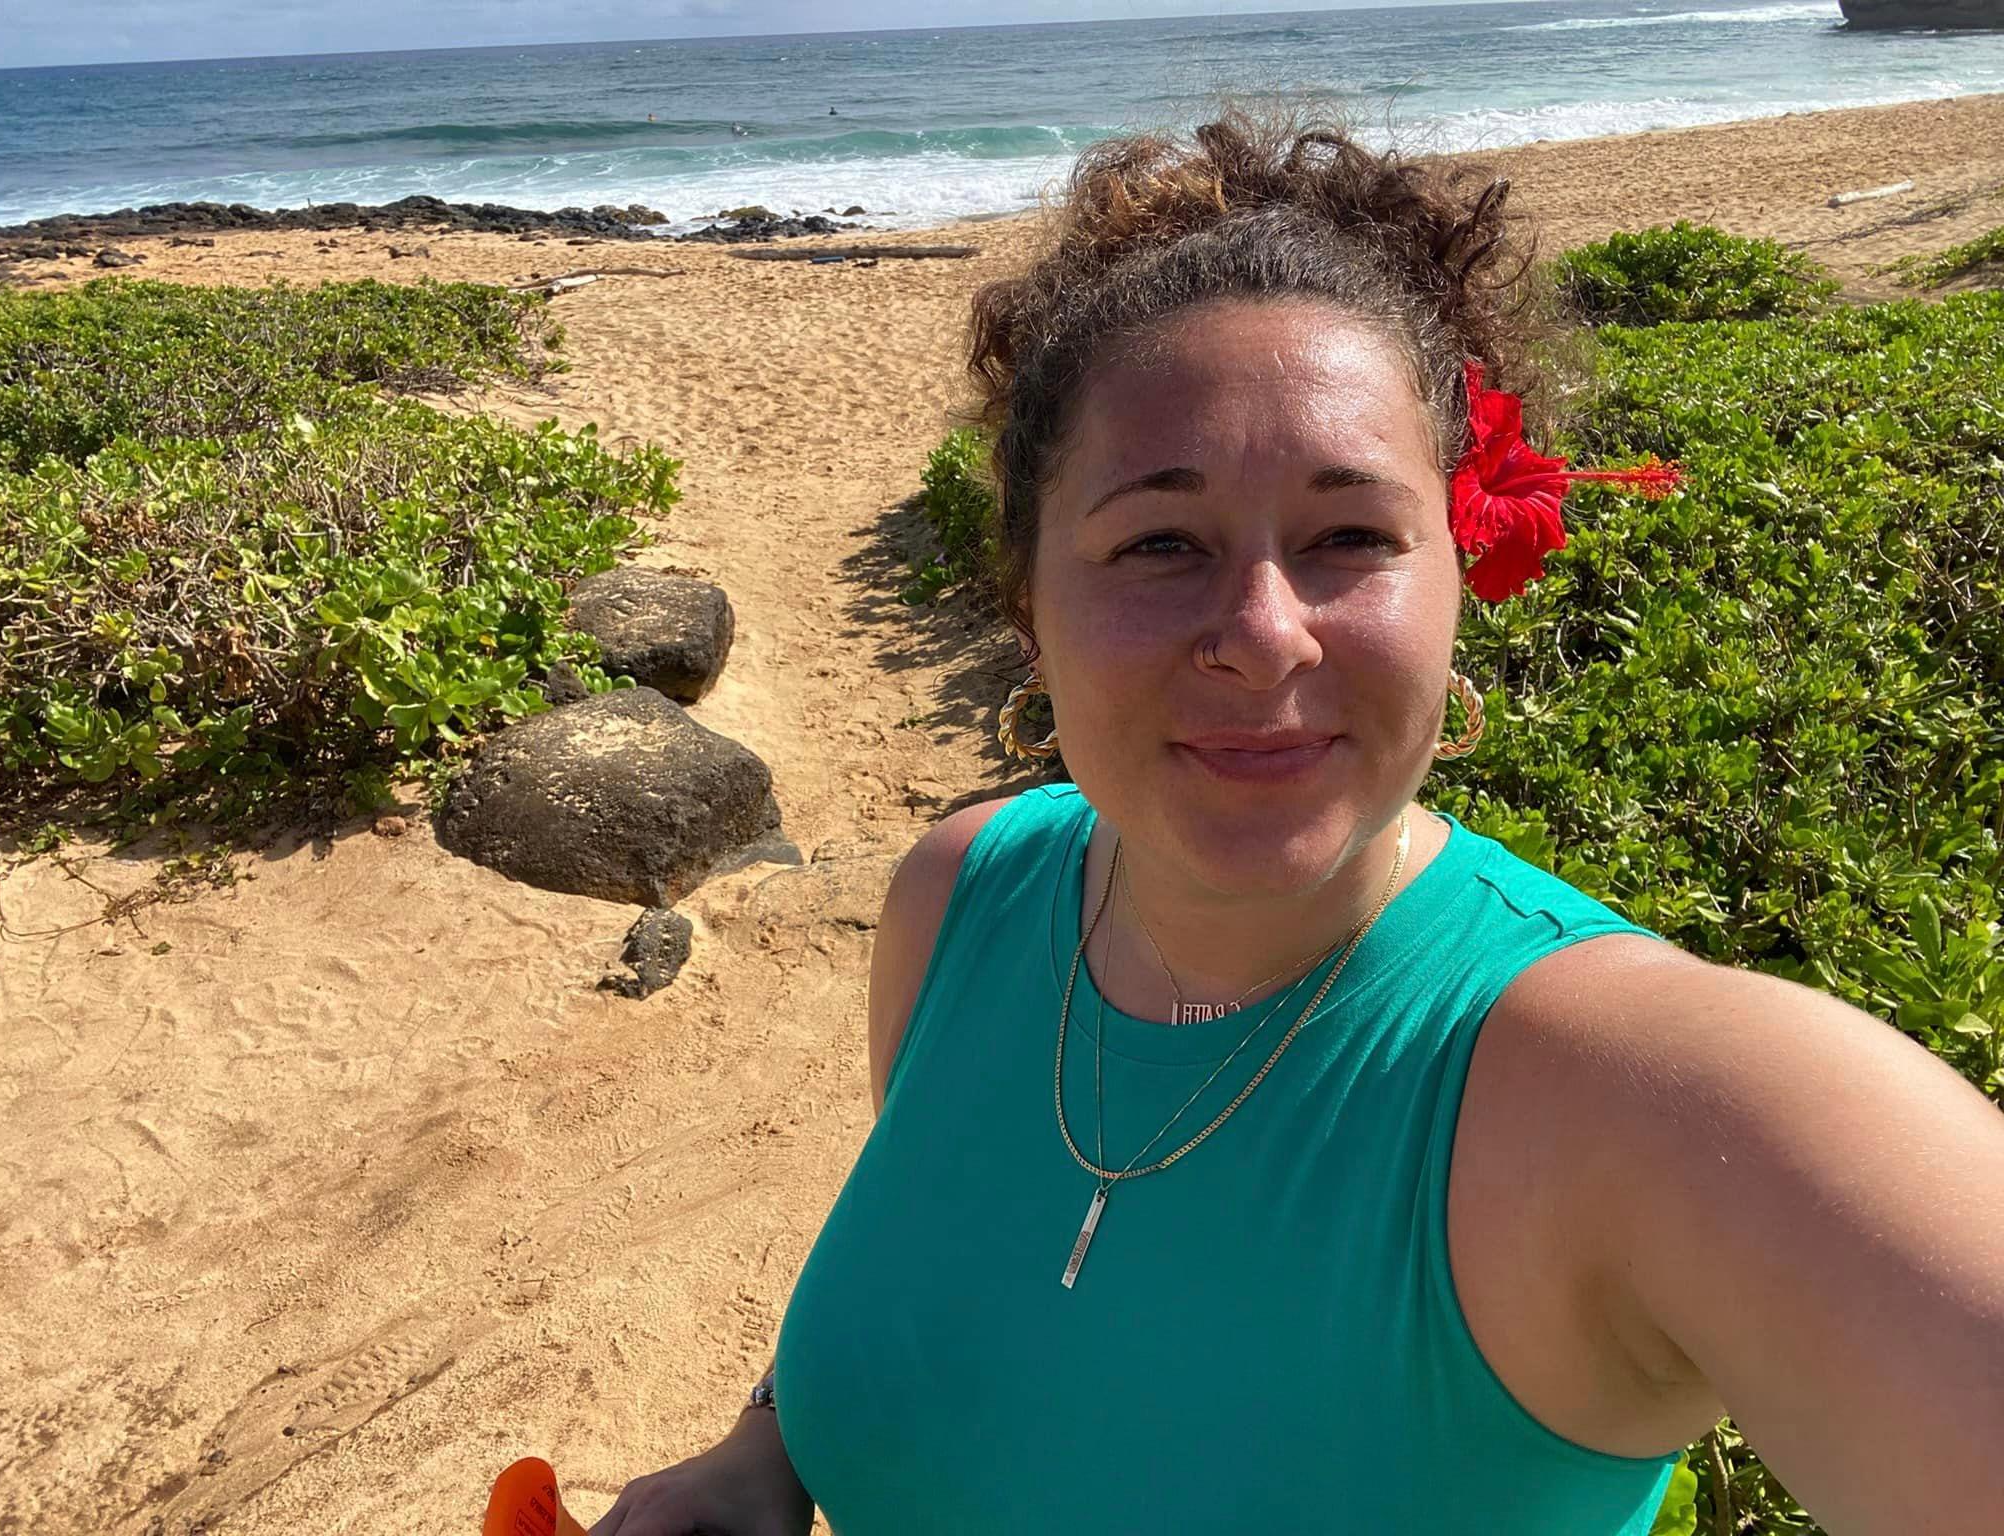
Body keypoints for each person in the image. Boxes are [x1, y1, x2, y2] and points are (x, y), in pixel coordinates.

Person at [589, 115, 2004, 1535]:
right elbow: (939, 1265)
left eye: (1349, 538)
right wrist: (765, 1448)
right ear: (1030, 605)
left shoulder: (1648, 1097)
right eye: (1159, 543)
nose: (1265, 638)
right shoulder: (962, 897)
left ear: (1454, 581)